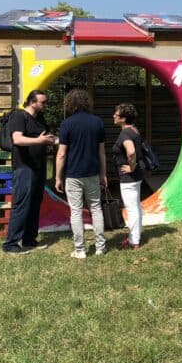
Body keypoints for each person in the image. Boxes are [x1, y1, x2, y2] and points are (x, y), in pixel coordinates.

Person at [54, 89, 108, 259]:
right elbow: (102, 152)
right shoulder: (97, 122)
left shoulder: (67, 124)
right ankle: (100, 247)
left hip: (73, 175)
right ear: (87, 103)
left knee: (76, 211)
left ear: (70, 104)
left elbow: (61, 154)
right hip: (92, 173)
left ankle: (80, 250)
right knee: (96, 209)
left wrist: (57, 177)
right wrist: (103, 174)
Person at [2, 89, 57, 255]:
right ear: (32, 102)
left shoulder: (39, 118)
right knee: (21, 203)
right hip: (24, 167)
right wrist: (39, 140)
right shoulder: (19, 116)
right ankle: (11, 244)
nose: (45, 105)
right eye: (43, 102)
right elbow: (17, 139)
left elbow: (47, 136)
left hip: (38, 166)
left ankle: (29, 239)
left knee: (35, 203)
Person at [112, 103, 144, 249]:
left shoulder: (125, 133)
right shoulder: (134, 130)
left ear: (123, 119)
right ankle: (136, 235)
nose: (113, 116)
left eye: (116, 114)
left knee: (131, 208)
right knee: (136, 206)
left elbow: (131, 151)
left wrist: (131, 166)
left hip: (128, 178)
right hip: (136, 176)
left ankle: (134, 241)